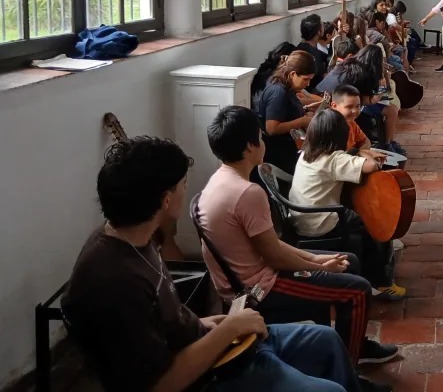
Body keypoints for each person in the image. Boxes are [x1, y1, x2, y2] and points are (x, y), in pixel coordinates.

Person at [61, 136, 363, 392]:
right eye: (183, 184)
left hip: (210, 344)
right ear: (166, 200)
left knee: (326, 339)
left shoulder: (135, 235)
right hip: (205, 376)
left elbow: (169, 322)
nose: (186, 190)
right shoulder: (114, 281)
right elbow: (160, 383)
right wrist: (229, 329)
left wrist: (212, 324)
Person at [198, 106, 398, 389]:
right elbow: (275, 257)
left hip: (254, 273)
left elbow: (271, 245)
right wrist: (317, 264)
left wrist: (317, 260)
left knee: (350, 260)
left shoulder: (219, 181)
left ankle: (353, 345)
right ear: (250, 147)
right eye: (260, 137)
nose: (264, 142)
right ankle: (348, 373)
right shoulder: (247, 193)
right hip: (260, 288)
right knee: (358, 291)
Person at [290, 107, 405, 300]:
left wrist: (357, 152)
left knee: (360, 216)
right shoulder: (334, 159)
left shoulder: (307, 153)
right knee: (377, 223)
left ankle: (373, 272)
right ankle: (381, 282)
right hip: (323, 222)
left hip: (302, 216)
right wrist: (365, 155)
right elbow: (372, 166)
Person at [255, 50, 316, 175]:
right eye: (305, 79)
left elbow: (289, 107)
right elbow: (272, 128)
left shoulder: (285, 85)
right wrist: (302, 121)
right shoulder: (278, 92)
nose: (308, 84)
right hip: (279, 152)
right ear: (293, 74)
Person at [297, 14, 329, 91]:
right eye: (322, 26)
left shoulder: (300, 46)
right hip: (312, 93)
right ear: (318, 32)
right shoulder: (313, 55)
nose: (324, 28)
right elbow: (321, 76)